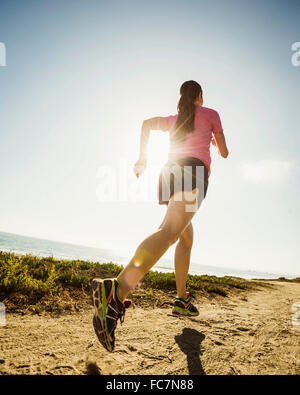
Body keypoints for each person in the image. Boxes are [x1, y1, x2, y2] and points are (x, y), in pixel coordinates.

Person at [91, 80, 229, 352]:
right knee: (169, 232)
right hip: (194, 173)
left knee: (184, 237)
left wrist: (142, 158)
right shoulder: (210, 114)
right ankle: (116, 292)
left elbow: (145, 124)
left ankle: (181, 299)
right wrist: (214, 139)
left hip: (170, 173)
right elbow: (224, 153)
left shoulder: (175, 119)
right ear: (200, 96)